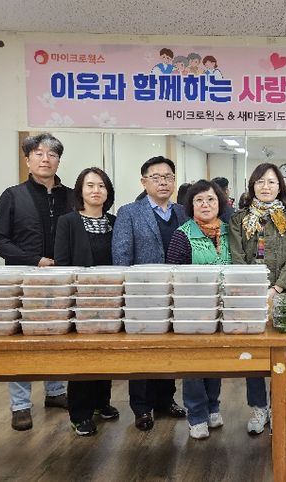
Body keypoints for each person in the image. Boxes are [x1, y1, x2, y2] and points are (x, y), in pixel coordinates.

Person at [0, 132, 71, 431]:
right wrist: (34, 259)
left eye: (52, 154)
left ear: (59, 160)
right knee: (21, 340)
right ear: (27, 160)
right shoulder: (13, 195)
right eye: (38, 153)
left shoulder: (71, 196)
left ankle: (56, 391)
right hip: (23, 279)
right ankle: (20, 405)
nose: (45, 159)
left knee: (58, 335)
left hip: (61, 279)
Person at [112, 156, 188, 431]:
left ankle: (166, 400)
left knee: (169, 348)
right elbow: (121, 254)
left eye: (168, 177)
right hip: (142, 293)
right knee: (142, 350)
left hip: (176, 292)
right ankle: (142, 407)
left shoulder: (182, 212)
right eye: (156, 177)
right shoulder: (129, 212)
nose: (163, 182)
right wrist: (126, 291)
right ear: (144, 182)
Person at [229, 163, 286, 435]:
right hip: (251, 296)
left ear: (280, 187)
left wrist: (277, 288)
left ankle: (279, 407)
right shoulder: (239, 219)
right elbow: (237, 256)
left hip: (283, 296)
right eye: (260, 181)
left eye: (271, 182)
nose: (266, 187)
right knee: (254, 355)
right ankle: (259, 408)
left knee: (282, 355)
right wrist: (256, 287)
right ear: (252, 186)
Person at [54, 167, 121, 436]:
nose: (96, 190)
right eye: (90, 185)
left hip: (110, 297)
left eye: (101, 185)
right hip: (81, 299)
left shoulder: (114, 221)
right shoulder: (68, 222)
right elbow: (62, 262)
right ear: (80, 191)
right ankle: (79, 413)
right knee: (83, 354)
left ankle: (101, 403)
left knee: (107, 352)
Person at [166, 180, 231, 440]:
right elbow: (173, 274)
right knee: (194, 364)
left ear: (220, 203)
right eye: (199, 200)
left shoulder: (229, 232)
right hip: (191, 311)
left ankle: (213, 407)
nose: (205, 205)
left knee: (215, 363)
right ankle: (196, 416)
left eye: (211, 199)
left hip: (222, 310)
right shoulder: (182, 235)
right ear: (191, 205)